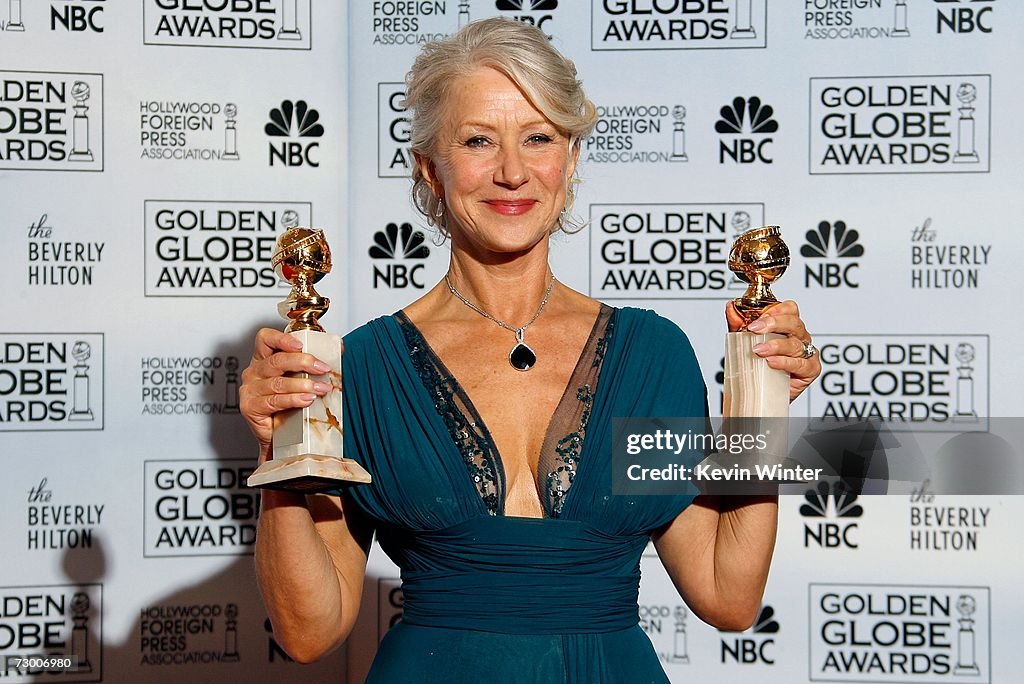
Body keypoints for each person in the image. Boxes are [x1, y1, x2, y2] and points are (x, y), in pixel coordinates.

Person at [240, 18, 821, 683]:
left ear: (570, 160)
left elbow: (727, 593)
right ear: (431, 168)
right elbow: (310, 632)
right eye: (479, 140)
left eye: (538, 138)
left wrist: (761, 411)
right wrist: (279, 445)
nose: (512, 171)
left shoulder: (650, 356)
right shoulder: (363, 368)